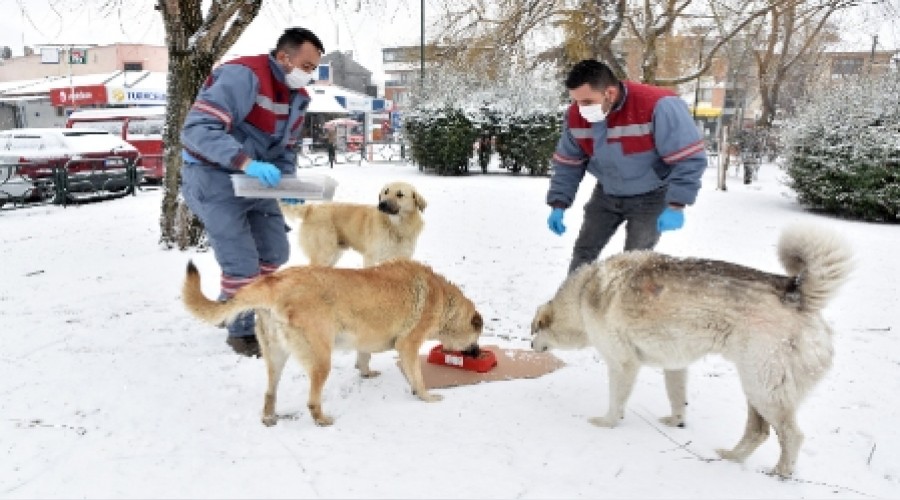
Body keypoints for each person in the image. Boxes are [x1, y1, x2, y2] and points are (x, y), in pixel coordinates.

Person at [180, 27, 324, 356]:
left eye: (313, 69)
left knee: (275, 253)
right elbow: (197, 129)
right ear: (284, 57)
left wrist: (288, 183)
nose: (309, 75)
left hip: (256, 181)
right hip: (213, 177)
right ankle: (243, 332)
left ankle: (228, 306)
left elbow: (286, 149)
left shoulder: (297, 99)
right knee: (241, 264)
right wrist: (245, 162)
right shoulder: (244, 76)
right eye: (306, 66)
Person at [546, 59, 707, 274]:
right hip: (607, 192)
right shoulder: (576, 116)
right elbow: (568, 163)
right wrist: (559, 203)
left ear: (609, 94)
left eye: (586, 101)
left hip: (651, 195)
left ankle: (627, 306)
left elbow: (688, 158)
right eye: (576, 101)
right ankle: (571, 303)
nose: (580, 108)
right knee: (584, 252)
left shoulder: (659, 106)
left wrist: (677, 204)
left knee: (634, 264)